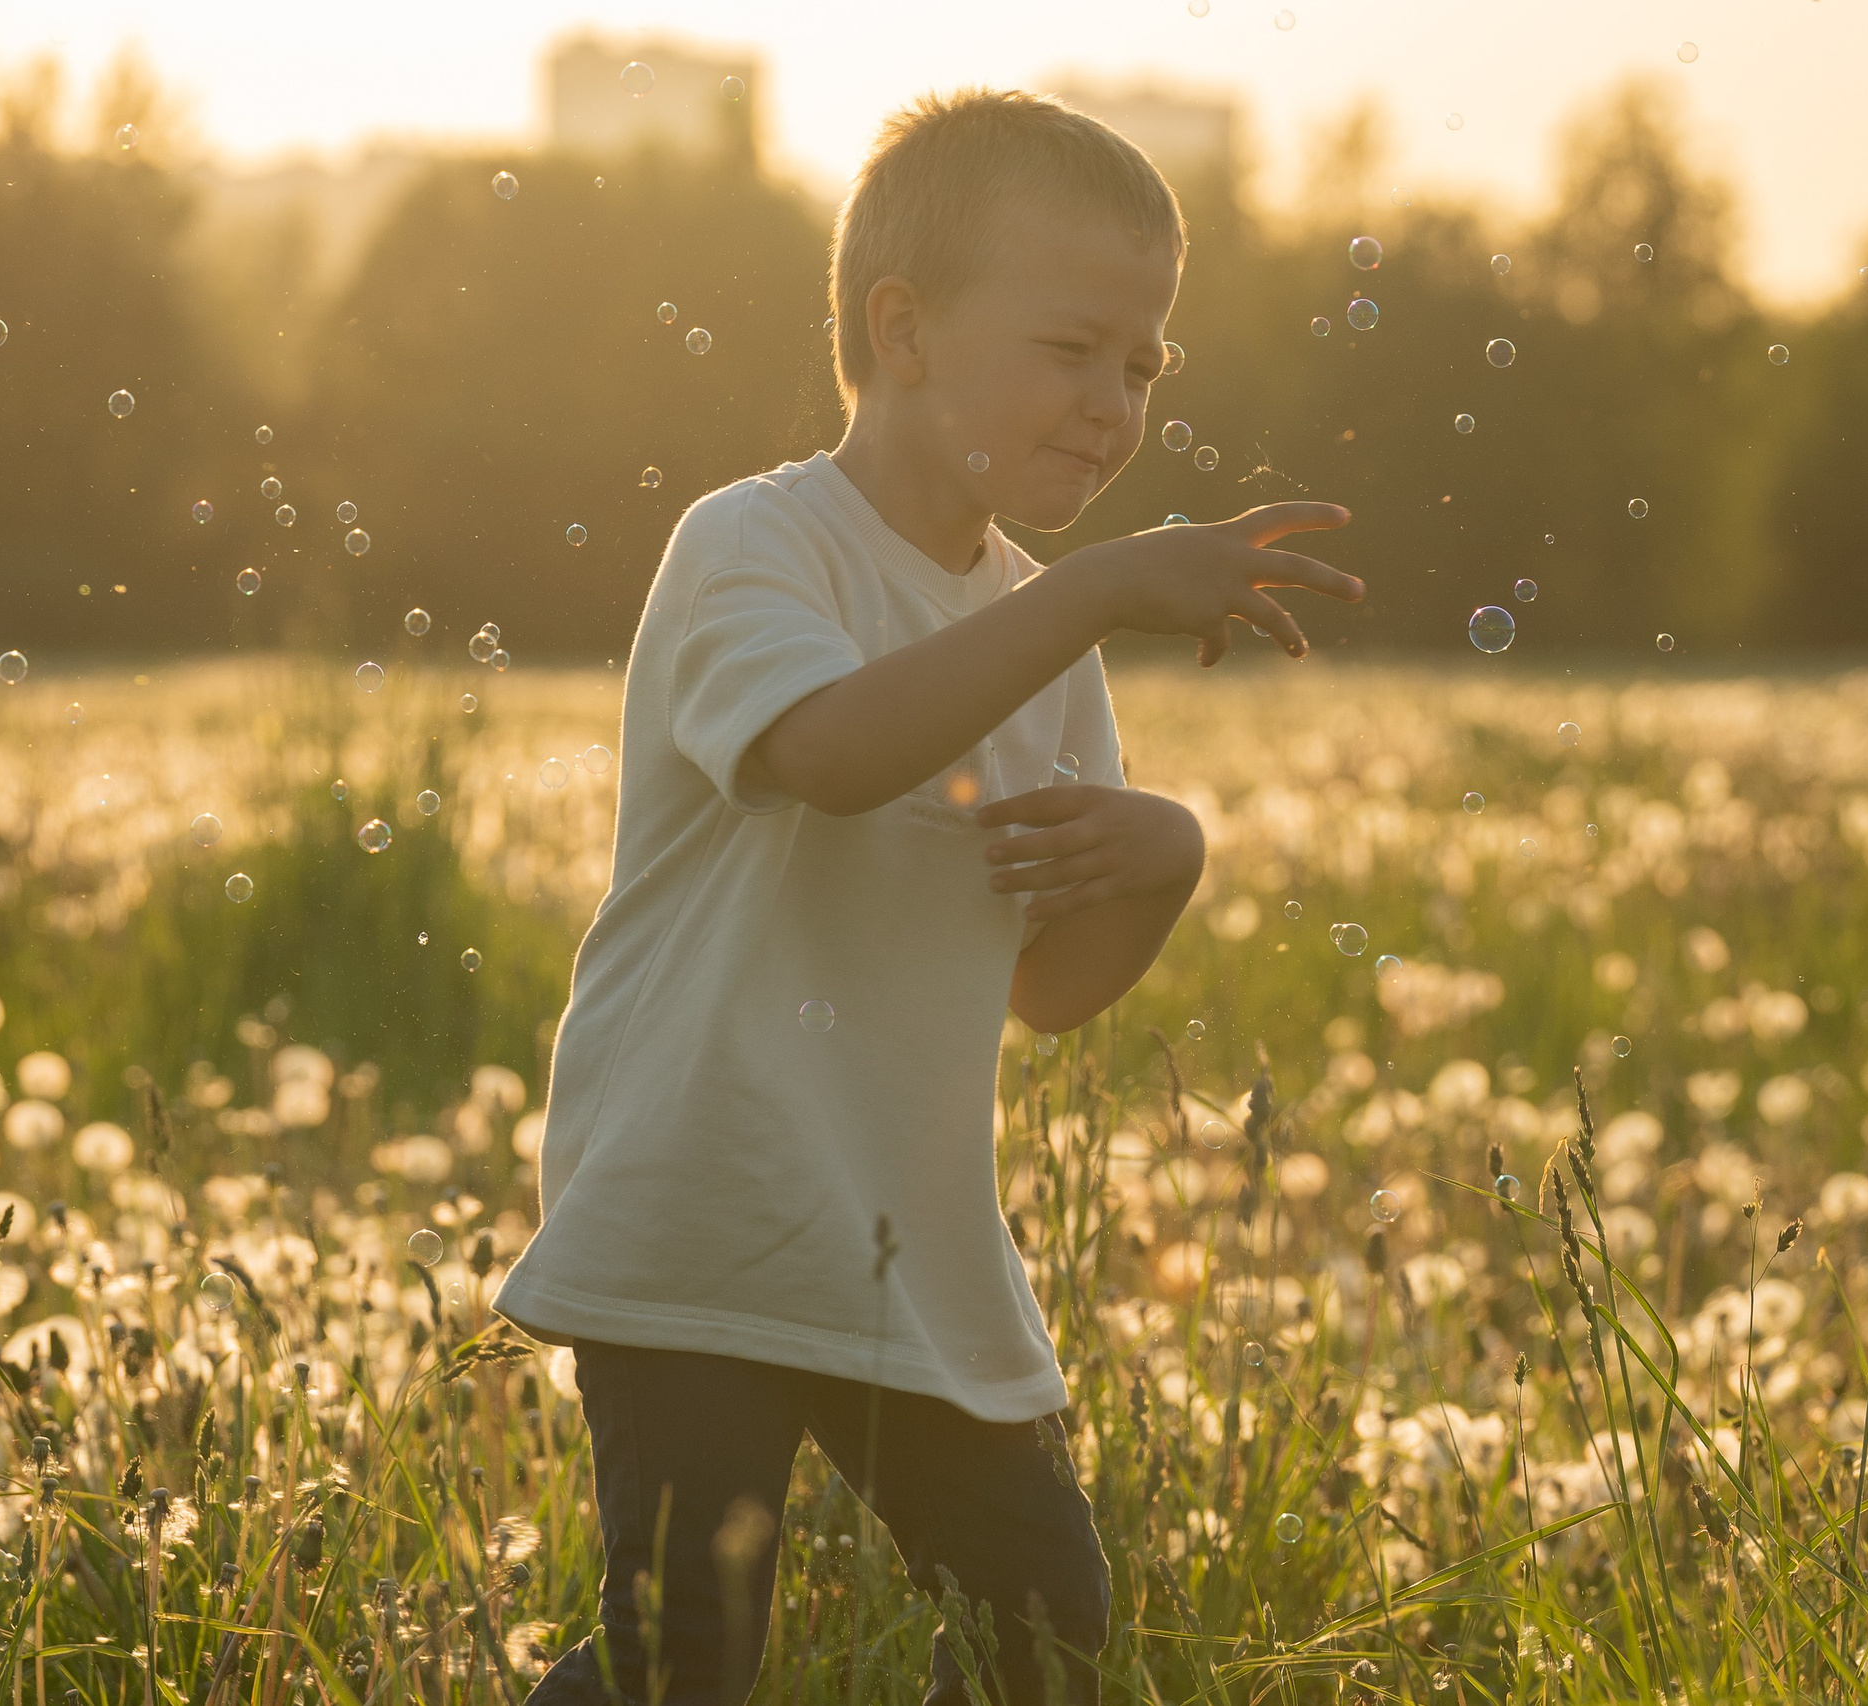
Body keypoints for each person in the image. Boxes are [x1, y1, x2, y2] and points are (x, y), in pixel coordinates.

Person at [493, 85, 1361, 1706]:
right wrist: (1103, 588)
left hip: (905, 1222)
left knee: (1048, 1617)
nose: (1117, 403)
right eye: (1073, 347)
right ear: (902, 329)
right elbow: (828, 748)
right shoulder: (756, 545)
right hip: (710, 1187)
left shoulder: (1038, 625)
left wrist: (1167, 854)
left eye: (1147, 365)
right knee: (685, 1648)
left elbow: (1048, 980)